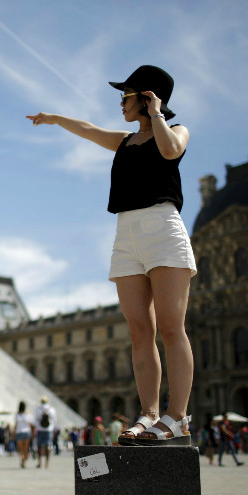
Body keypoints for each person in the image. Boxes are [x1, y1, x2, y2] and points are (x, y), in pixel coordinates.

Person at [28, 65, 195, 446]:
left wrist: (156, 115)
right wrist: (54, 119)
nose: (120, 103)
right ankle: (150, 414)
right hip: (127, 235)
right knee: (140, 331)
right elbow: (88, 129)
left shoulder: (177, 131)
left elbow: (170, 151)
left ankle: (178, 416)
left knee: (171, 327)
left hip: (163, 228)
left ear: (149, 97)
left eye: (126, 96)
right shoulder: (124, 141)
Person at [34, 397, 56, 468]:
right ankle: (47, 463)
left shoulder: (38, 409)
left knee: (39, 446)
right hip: (48, 429)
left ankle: (39, 462)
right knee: (48, 446)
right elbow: (54, 420)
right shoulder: (51, 409)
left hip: (40, 429)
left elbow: (36, 420)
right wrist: (51, 428)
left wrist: (37, 427)